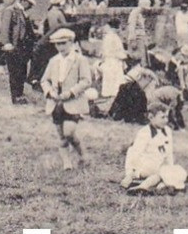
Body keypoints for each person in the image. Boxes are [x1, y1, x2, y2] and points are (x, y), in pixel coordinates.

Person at [41, 28, 95, 170]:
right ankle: (67, 163)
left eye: (63, 43)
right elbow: (44, 80)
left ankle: (83, 155)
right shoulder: (53, 61)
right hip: (56, 102)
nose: (60, 47)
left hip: (73, 102)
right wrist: (49, 92)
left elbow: (86, 81)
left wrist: (71, 92)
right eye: (57, 44)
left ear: (71, 42)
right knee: (61, 136)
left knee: (69, 132)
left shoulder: (79, 60)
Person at [122, 102, 184, 193]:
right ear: (151, 117)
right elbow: (134, 153)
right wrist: (130, 173)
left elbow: (169, 153)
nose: (166, 120)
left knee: (178, 171)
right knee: (162, 173)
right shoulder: (144, 132)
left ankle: (159, 186)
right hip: (145, 166)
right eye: (162, 117)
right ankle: (143, 186)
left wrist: (170, 167)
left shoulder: (168, 131)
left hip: (159, 165)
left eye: (167, 117)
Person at [98, 19, 128, 102]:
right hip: (114, 61)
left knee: (110, 79)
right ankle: (115, 96)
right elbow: (118, 51)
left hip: (108, 60)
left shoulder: (107, 36)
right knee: (115, 79)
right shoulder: (114, 37)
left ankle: (110, 96)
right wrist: (125, 56)